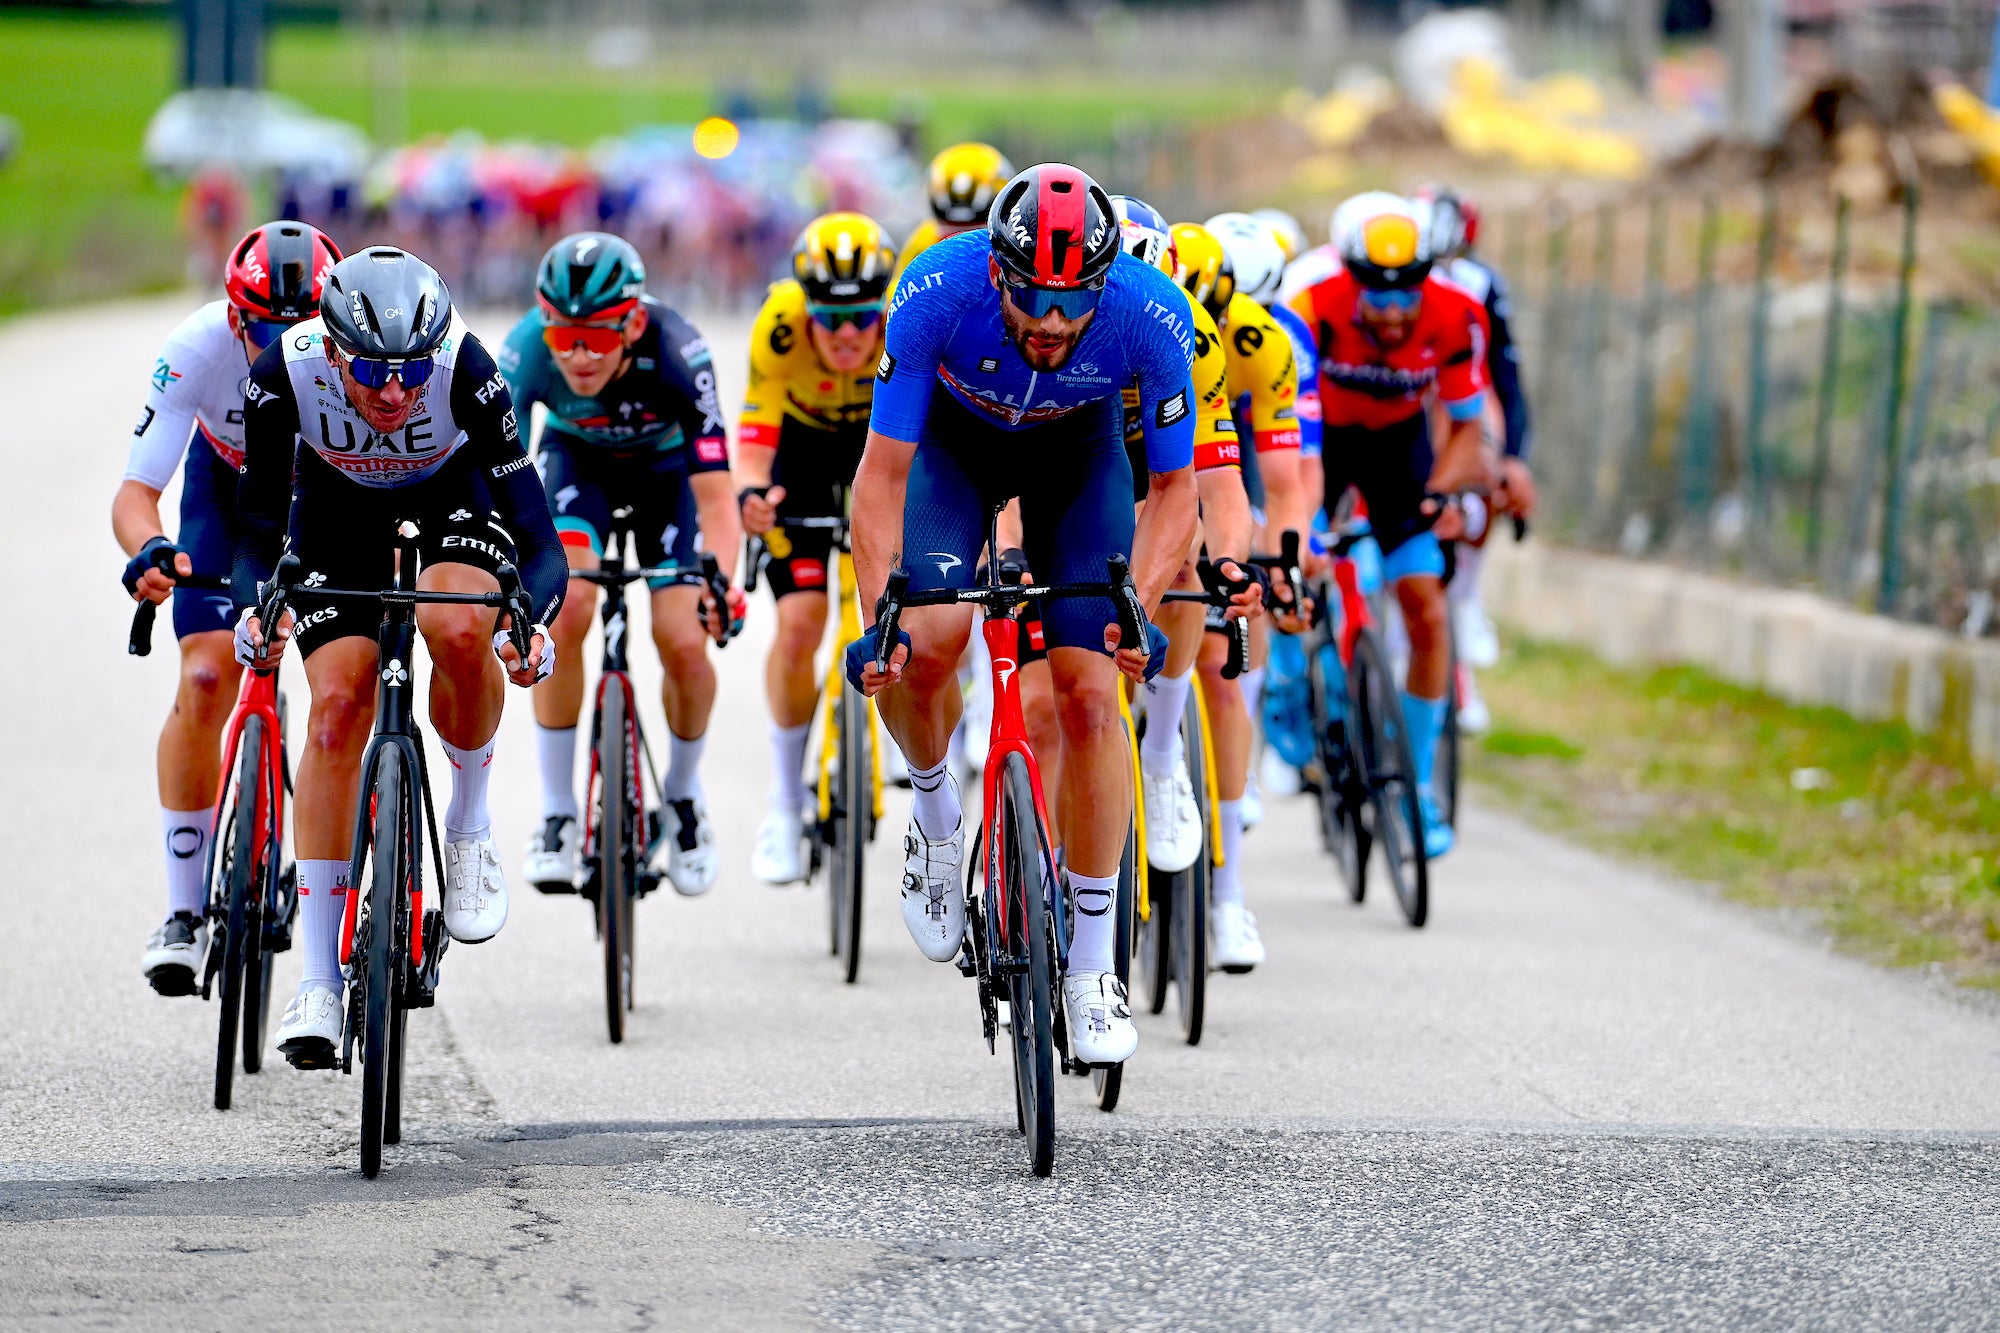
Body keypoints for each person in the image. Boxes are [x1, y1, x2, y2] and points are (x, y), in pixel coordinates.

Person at [847, 164, 1201, 1067]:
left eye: (1070, 302)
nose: (1050, 322)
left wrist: (1140, 605)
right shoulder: (933, 289)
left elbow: (1174, 494)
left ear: (1103, 284)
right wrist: (876, 615)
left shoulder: (1152, 313)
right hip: (954, 452)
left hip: (1075, 460)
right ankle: (934, 820)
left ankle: (1090, 967)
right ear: (998, 272)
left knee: (1089, 692)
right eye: (1032, 298)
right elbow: (882, 480)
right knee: (927, 642)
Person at [232, 247, 567, 1068]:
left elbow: (537, 535)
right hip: (335, 514)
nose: (394, 392)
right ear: (332, 347)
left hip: (451, 500)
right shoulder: (284, 369)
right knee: (338, 708)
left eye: (411, 371)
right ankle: (315, 979)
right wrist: (252, 604)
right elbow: (256, 525)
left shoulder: (465, 366)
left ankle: (469, 821)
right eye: (374, 372)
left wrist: (532, 624)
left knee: (459, 627)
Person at [119, 221, 342, 996]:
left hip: (320, 494)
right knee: (209, 674)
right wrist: (149, 550)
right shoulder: (196, 348)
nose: (282, 346)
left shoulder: (357, 354)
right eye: (263, 330)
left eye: (303, 332)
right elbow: (137, 494)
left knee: (340, 695)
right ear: (235, 317)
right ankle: (183, 912)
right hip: (228, 486)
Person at [497, 232, 744, 898]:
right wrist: (513, 576)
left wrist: (725, 580)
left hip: (668, 478)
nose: (577, 356)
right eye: (563, 336)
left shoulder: (678, 348)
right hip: (579, 466)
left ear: (633, 322)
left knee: (684, 638)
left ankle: (686, 799)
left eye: (598, 338)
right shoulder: (523, 349)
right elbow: (502, 479)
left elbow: (718, 497)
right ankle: (556, 810)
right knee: (567, 605)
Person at [1286, 193, 1494, 859]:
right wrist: (1301, 522)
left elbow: (1467, 430)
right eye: (1377, 294)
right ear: (1350, 276)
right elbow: (1283, 423)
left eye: (1407, 292)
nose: (1395, 310)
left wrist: (1438, 493)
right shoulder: (1311, 302)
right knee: (1299, 559)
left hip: (1400, 452)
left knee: (1428, 612)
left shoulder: (1457, 313)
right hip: (1320, 441)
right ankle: (1293, 691)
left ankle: (1414, 784)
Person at [736, 212, 896, 883]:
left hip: (878, 447)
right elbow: (754, 441)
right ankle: (784, 799)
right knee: (801, 623)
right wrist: (750, 495)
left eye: (863, 318)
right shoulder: (777, 328)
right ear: (806, 311)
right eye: (831, 321)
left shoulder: (907, 328)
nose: (849, 336)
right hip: (801, 454)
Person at [1172, 218, 1309, 967]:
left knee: (1224, 674)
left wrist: (1278, 565)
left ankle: (1229, 895)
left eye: (1211, 321)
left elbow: (1281, 485)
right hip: (1140, 455)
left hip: (1226, 459)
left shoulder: (1259, 344)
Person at [1420, 186, 1534, 734]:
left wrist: (1512, 456)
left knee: (1478, 464)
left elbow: (1504, 376)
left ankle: (1466, 595)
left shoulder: (1481, 284)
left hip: (1457, 400)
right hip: (1394, 406)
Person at [892, 142, 1014, 278]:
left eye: (979, 233)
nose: (962, 242)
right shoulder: (922, 240)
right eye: (949, 234)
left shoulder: (1015, 240)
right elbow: (897, 289)